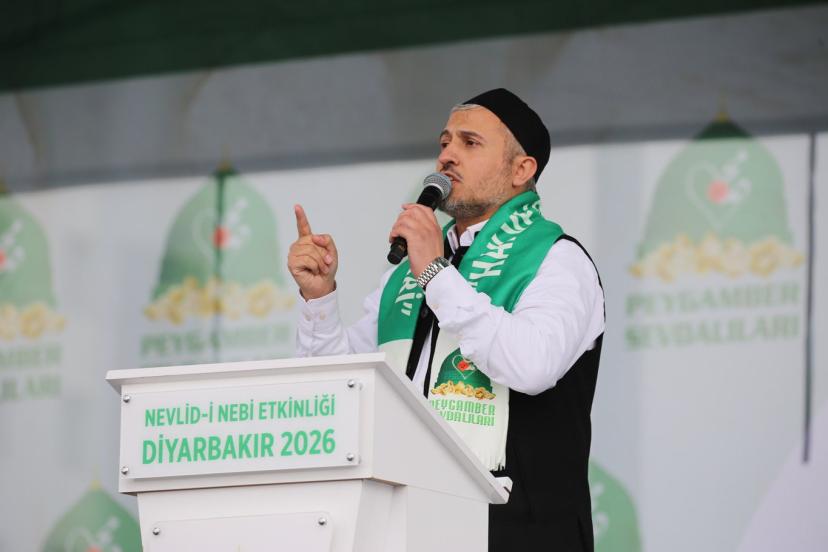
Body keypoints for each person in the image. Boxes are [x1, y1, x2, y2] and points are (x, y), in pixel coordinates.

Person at [287, 88, 605, 551]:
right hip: (410, 528)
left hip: (519, 532)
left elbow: (531, 366)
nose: (447, 156)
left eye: (470, 143)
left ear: (521, 170)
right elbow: (340, 389)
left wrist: (437, 275)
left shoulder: (558, 260)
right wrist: (319, 298)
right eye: (444, 142)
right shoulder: (410, 273)